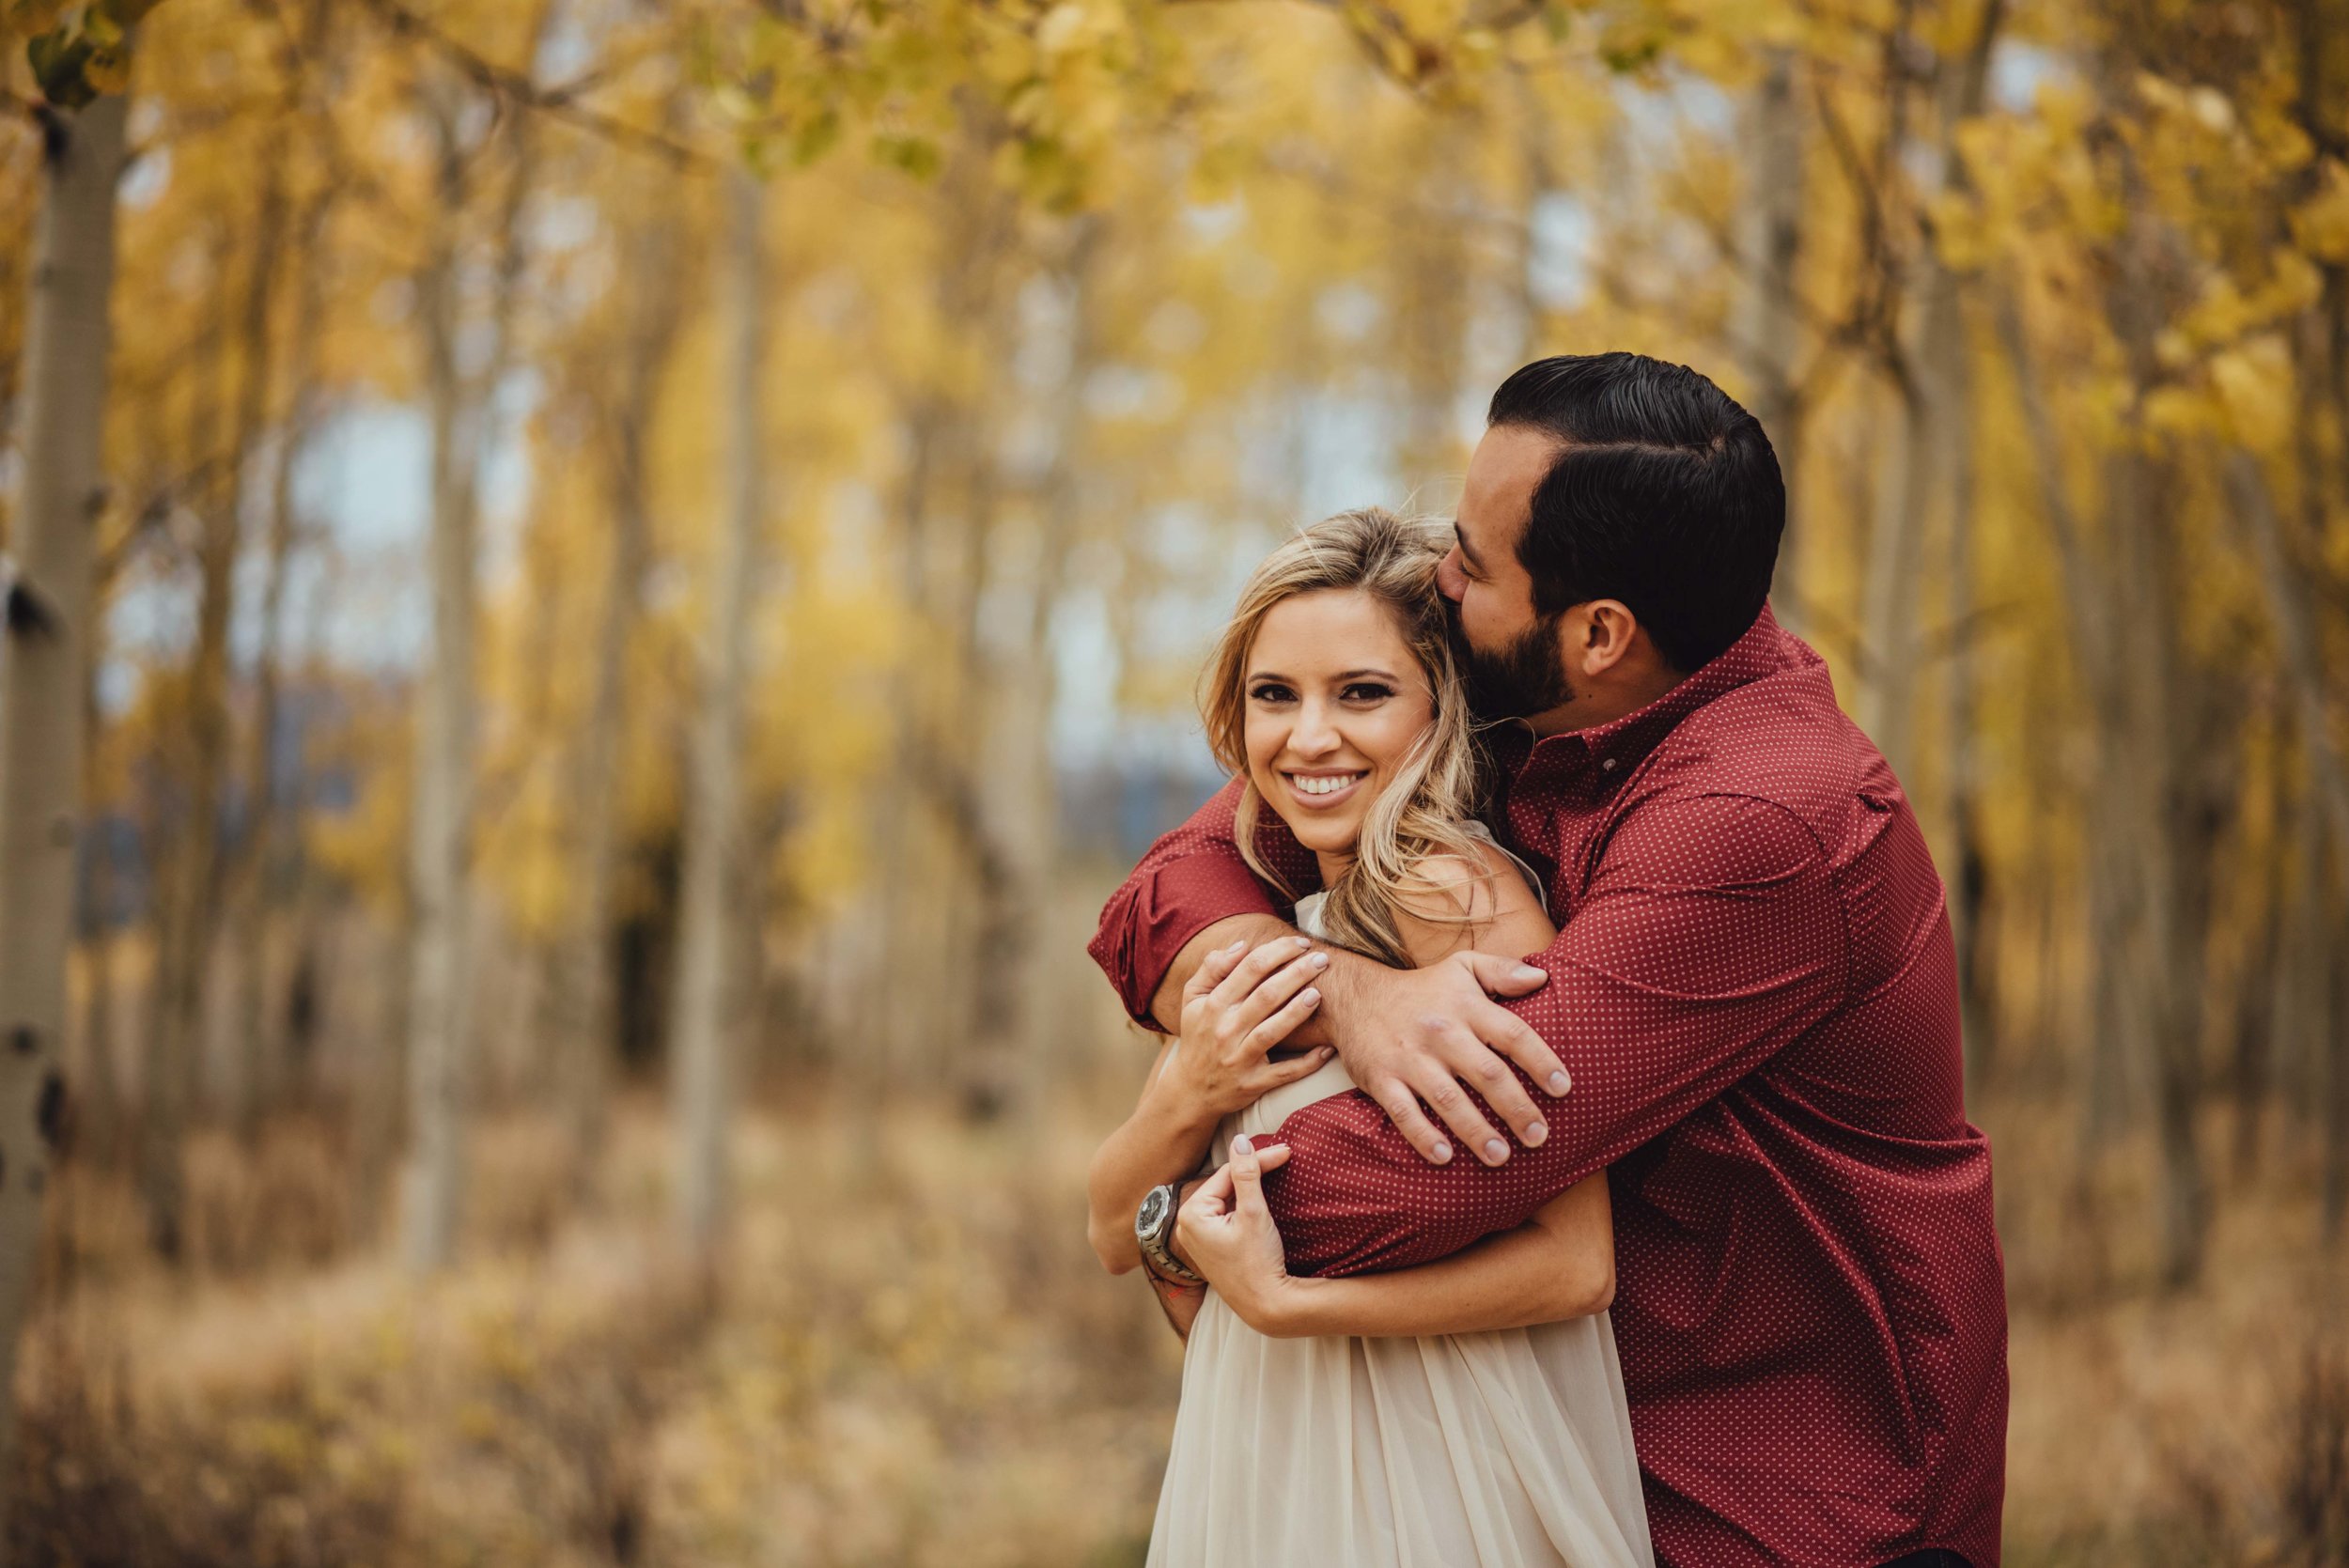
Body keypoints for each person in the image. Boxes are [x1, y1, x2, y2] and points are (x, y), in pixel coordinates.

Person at [1089, 353, 2009, 1568]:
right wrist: (1342, 993)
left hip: (1792, 1508)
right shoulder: (1517, 704)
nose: (1439, 575)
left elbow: (1447, 1167)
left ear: (1599, 633)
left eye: (1472, 560)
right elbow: (1171, 886)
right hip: (1552, 1457)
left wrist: (1171, 1205)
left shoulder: (1761, 823)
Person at [1086, 507, 1655, 1567]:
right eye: (1273, 695)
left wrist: (1291, 1305)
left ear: (1438, 708)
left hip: (1429, 1465)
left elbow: (1577, 1266)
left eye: (1361, 692)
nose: (1307, 738)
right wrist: (1189, 1091)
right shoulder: (1280, 924)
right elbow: (1112, 1228)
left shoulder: (1457, 896)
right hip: (1274, 1443)